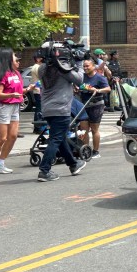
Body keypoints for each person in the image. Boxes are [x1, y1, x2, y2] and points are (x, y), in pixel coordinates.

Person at [38, 41, 88, 182]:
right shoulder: (62, 68)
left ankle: (73, 164)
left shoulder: (43, 68)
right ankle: (44, 170)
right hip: (60, 109)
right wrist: (79, 62)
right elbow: (79, 80)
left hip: (48, 108)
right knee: (56, 139)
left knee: (59, 137)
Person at [0, 49, 35, 175]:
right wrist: (12, 94)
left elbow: (19, 91)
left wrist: (27, 89)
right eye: (15, 58)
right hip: (3, 107)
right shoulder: (2, 74)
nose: (18, 61)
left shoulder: (16, 73)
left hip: (15, 106)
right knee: (2, 138)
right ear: (8, 60)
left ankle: (1, 163)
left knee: (13, 136)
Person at [79, 58, 111, 158]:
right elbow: (78, 86)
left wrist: (97, 90)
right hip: (84, 105)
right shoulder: (81, 77)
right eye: (84, 66)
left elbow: (108, 89)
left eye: (87, 66)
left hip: (96, 105)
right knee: (84, 129)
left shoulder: (99, 77)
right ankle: (86, 150)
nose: (85, 68)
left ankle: (96, 151)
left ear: (93, 66)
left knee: (94, 129)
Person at [30, 51, 44, 130]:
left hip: (37, 90)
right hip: (39, 91)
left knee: (39, 108)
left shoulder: (35, 67)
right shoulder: (37, 67)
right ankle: (38, 127)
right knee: (39, 109)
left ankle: (37, 127)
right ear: (38, 59)